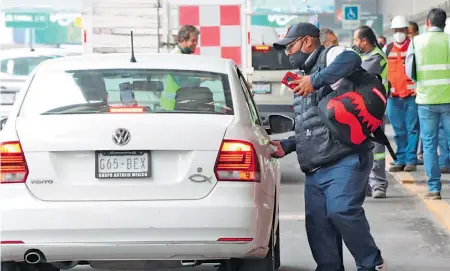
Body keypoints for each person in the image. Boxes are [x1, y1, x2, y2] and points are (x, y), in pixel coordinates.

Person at [270, 22, 386, 271]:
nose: (287, 53)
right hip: (315, 165)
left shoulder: (329, 57)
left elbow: (351, 57)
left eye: (290, 46)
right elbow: (312, 123)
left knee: (342, 210)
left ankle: (371, 264)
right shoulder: (303, 75)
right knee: (318, 224)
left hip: (345, 157)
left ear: (307, 41)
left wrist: (316, 79)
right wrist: (288, 145)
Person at [406, 8, 450, 200]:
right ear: (444, 24)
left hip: (426, 100)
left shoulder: (416, 41)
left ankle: (434, 189)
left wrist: (421, 83)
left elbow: (409, 71)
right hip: (448, 99)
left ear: (427, 23)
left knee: (430, 145)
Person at [353, 25, 389, 198]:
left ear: (364, 41)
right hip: (362, 105)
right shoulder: (364, 55)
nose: (354, 43)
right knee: (363, 145)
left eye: (356, 39)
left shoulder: (376, 57)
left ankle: (378, 185)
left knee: (377, 148)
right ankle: (366, 184)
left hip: (374, 107)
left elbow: (356, 72)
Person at [386, 15, 420, 173]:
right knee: (398, 130)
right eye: (396, 30)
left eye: (401, 30)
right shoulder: (388, 48)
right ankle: (400, 159)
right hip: (394, 97)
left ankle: (411, 159)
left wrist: (418, 87)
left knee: (412, 128)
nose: (399, 33)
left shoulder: (415, 46)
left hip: (411, 95)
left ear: (407, 31)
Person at [160, 25, 200, 110]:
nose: (196, 43)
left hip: (177, 104)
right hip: (172, 106)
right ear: (182, 40)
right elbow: (184, 83)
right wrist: (202, 79)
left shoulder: (183, 56)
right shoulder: (176, 57)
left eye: (197, 40)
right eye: (193, 40)